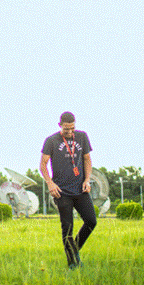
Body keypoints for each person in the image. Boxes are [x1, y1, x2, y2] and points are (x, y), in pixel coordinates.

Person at [40, 111, 97, 269]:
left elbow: (87, 159)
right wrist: (50, 184)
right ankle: (72, 264)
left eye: (72, 128)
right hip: (61, 191)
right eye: (66, 129)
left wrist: (87, 180)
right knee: (68, 227)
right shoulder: (51, 141)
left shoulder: (82, 137)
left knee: (91, 221)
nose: (70, 132)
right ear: (60, 125)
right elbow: (43, 164)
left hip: (80, 189)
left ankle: (73, 249)